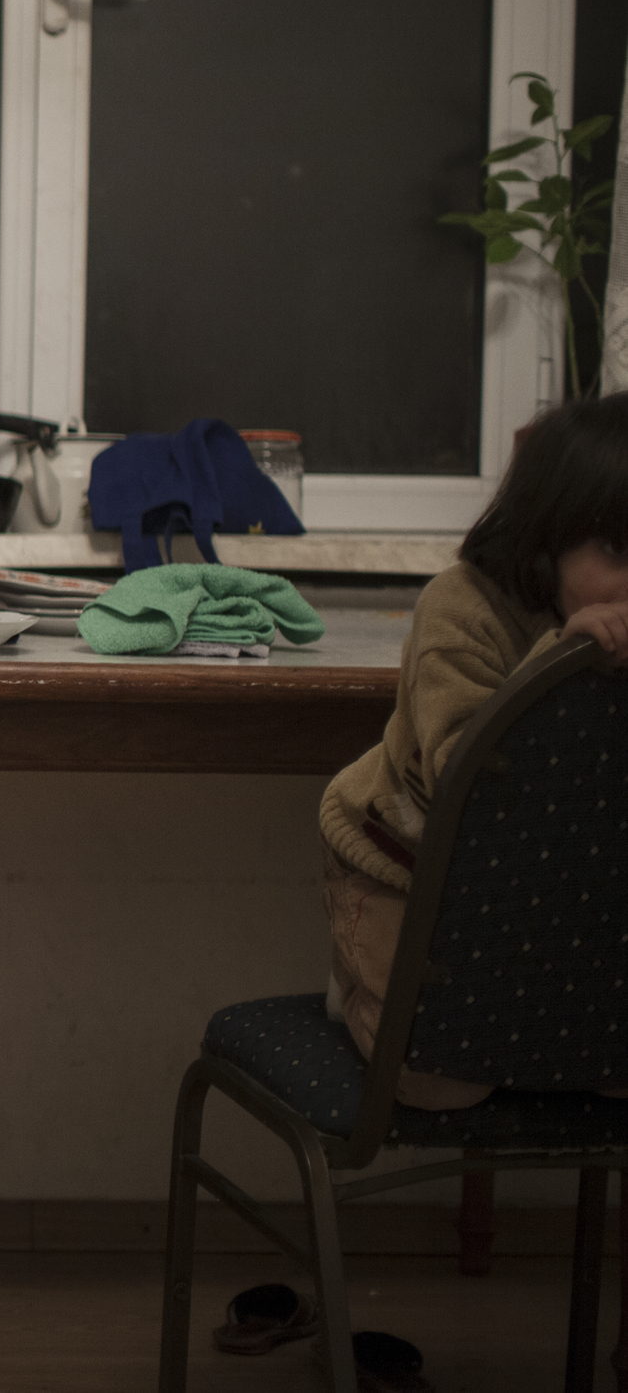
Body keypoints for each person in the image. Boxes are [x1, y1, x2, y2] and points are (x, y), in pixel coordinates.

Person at [322, 392, 628, 1108]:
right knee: (439, 1083)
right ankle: (354, 983)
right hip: (401, 865)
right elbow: (470, 778)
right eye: (615, 549)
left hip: (553, 891)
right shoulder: (461, 607)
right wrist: (568, 657)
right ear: (546, 536)